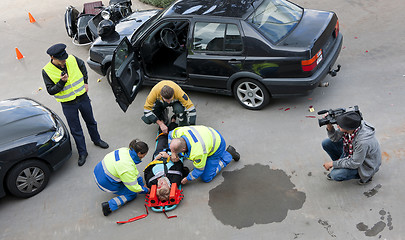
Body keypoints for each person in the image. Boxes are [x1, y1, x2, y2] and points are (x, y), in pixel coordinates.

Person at [42, 43, 108, 166]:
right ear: (52, 57)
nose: (64, 61)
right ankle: (83, 152)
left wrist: (86, 82)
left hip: (83, 98)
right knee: (76, 129)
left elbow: (83, 66)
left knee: (91, 121)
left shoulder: (72, 59)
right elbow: (50, 90)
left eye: (64, 58)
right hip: (68, 104)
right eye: (61, 59)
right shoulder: (47, 71)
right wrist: (61, 83)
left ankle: (97, 140)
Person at [321, 111, 381, 184]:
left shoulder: (362, 142)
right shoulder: (352, 124)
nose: (338, 126)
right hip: (351, 151)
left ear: (348, 128)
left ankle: (365, 176)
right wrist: (329, 125)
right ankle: (340, 165)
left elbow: (355, 163)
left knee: (335, 175)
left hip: (363, 163)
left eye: (340, 125)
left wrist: (333, 164)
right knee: (326, 143)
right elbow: (335, 138)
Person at [93, 139, 150, 216]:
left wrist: (140, 182)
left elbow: (133, 171)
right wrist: (145, 190)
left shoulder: (126, 151)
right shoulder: (127, 167)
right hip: (104, 182)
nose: (144, 157)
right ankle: (109, 206)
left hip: (99, 169)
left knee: (128, 177)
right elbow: (133, 187)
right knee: (132, 193)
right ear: (139, 153)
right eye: (144, 155)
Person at [168, 125, 240, 185]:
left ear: (183, 149)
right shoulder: (179, 132)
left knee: (206, 177)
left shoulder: (197, 152)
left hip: (218, 146)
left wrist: (188, 178)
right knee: (183, 154)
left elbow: (199, 170)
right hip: (208, 135)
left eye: (174, 150)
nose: (172, 152)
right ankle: (206, 159)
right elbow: (170, 135)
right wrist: (173, 152)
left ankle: (229, 154)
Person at [143, 120, 189, 201]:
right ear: (169, 186)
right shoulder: (175, 179)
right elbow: (179, 165)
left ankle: (162, 123)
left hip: (158, 154)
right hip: (172, 153)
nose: (161, 183)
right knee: (173, 137)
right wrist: (169, 156)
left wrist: (155, 160)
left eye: (159, 186)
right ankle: (173, 122)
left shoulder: (151, 182)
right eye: (163, 185)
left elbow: (147, 171)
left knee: (162, 138)